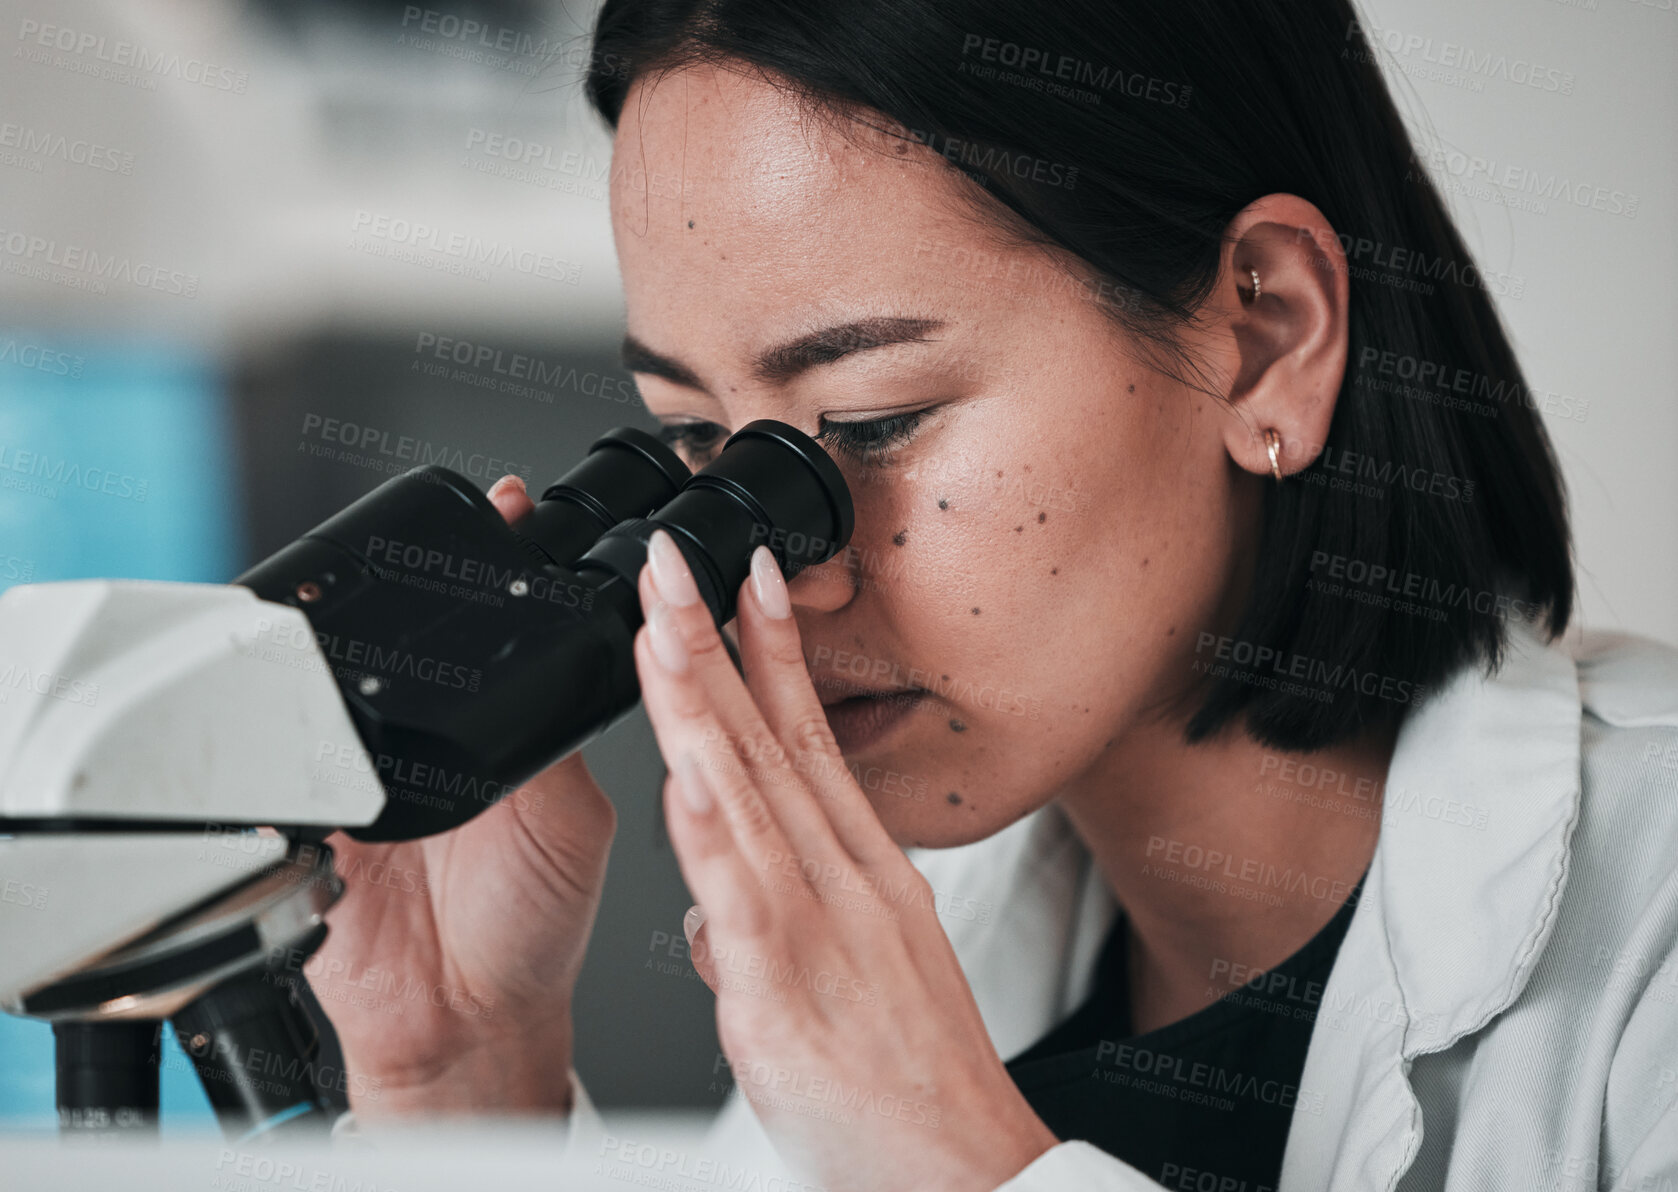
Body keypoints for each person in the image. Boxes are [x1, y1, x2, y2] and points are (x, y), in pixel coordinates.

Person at [306, 1, 1678, 1188]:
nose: (779, 569)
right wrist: (463, 1080)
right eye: (691, 448)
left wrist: (957, 1165)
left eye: (874, 416)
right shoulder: (920, 954)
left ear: (1267, 337)